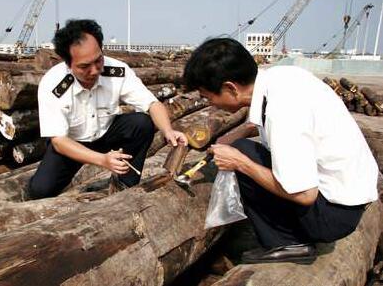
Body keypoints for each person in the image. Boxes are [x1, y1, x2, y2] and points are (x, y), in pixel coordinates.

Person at [183, 38, 378, 264]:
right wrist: (236, 135)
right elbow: (260, 120)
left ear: (230, 88)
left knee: (243, 155)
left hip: (333, 216)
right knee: (242, 147)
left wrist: (240, 163)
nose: (212, 104)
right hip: (347, 197)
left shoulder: (282, 111)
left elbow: (305, 195)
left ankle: (288, 242)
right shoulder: (279, 78)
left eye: (209, 97)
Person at [29, 19, 187, 199]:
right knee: (41, 190)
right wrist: (102, 160)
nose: (95, 70)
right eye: (84, 66)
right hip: (72, 144)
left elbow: (152, 104)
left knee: (141, 123)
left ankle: (125, 186)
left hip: (106, 133)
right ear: (68, 63)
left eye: (98, 60)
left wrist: (168, 130)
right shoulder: (53, 84)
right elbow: (58, 141)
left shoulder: (117, 71)